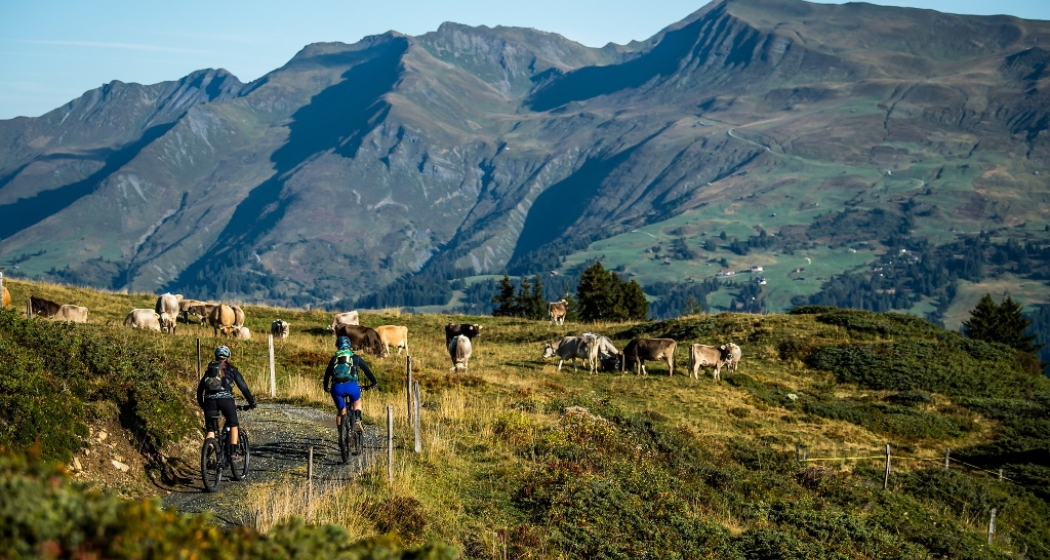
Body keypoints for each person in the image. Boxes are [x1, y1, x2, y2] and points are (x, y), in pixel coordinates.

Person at [196, 345, 256, 461]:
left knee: (210, 430)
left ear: (216, 356)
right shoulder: (231, 369)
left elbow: (200, 390)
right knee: (233, 424)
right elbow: (243, 387)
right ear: (228, 357)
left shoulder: (209, 371)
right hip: (226, 400)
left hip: (209, 400)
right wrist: (251, 402)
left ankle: (206, 458)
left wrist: (202, 404)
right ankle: (233, 453)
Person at [323, 336, 378, 434]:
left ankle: (341, 436)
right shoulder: (356, 358)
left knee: (341, 411)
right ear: (349, 345)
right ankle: (357, 419)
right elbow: (367, 371)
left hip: (337, 387)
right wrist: (374, 383)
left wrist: (326, 387)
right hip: (352, 386)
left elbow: (327, 374)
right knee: (357, 401)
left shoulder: (334, 359)